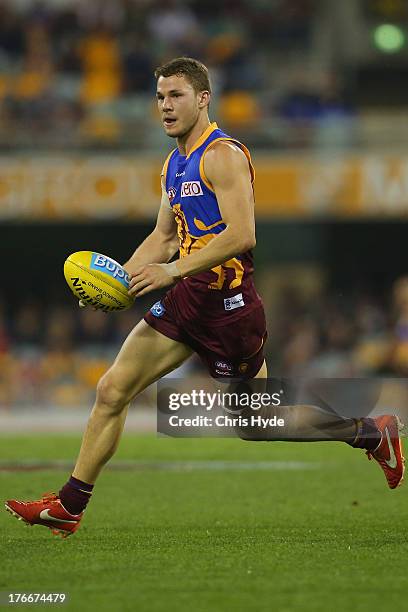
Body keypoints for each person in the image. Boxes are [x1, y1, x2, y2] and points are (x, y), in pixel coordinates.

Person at [5, 57, 405, 538]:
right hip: (186, 300)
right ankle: (70, 505)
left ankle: (368, 432)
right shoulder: (173, 162)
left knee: (257, 422)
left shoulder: (224, 155)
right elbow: (163, 236)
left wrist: (171, 270)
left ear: (202, 98)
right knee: (113, 389)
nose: (166, 107)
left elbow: (242, 234)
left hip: (229, 313)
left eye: (175, 96)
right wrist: (119, 280)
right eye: (159, 97)